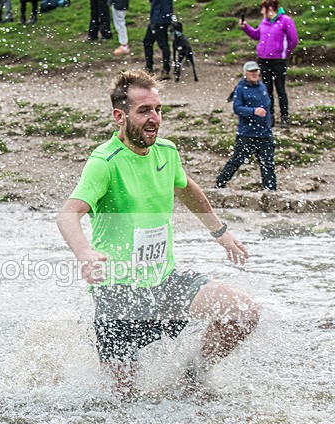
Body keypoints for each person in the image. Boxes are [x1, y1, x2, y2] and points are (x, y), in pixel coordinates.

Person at [56, 69, 259, 397]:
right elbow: (68, 214)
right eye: (144, 111)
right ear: (119, 116)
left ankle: (192, 376)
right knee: (124, 404)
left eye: (158, 110)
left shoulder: (166, 152)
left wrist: (220, 233)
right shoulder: (104, 162)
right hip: (118, 294)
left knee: (242, 312)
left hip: (164, 283)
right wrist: (84, 252)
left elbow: (188, 190)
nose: (154, 119)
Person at [216, 62, 276, 191]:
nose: (254, 74)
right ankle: (219, 185)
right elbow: (237, 108)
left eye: (256, 71)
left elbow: (267, 107)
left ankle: (271, 191)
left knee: (268, 165)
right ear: (245, 73)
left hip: (265, 134)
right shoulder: (241, 88)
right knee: (237, 161)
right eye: (251, 71)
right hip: (247, 134)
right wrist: (253, 111)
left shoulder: (263, 87)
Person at [240, 0, 298, 129]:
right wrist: (246, 27)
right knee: (266, 90)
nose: (261, 12)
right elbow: (256, 35)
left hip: (278, 61)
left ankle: (284, 117)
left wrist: (284, 53)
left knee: (280, 89)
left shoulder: (285, 21)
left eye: (263, 9)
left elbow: (293, 40)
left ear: (270, 8)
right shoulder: (264, 22)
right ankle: (269, 117)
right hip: (263, 60)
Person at [143, 0, 173, 80]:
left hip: (157, 18)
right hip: (165, 17)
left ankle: (151, 68)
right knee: (162, 43)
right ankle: (164, 69)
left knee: (150, 42)